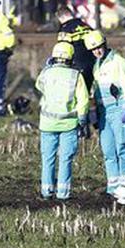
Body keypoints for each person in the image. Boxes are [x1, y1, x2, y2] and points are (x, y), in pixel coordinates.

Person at [36, 41, 89, 201]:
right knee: (66, 159)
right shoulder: (76, 76)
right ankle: (63, 194)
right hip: (69, 124)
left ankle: (46, 192)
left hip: (47, 124)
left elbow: (39, 86)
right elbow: (83, 100)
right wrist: (82, 120)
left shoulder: (46, 73)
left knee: (47, 158)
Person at [86, 30, 125, 193]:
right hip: (103, 113)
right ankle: (113, 185)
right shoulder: (96, 66)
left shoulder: (118, 61)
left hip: (118, 109)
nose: (97, 51)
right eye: (93, 50)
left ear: (104, 44)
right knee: (108, 149)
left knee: (122, 146)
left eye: (99, 47)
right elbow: (95, 90)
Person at [55, 6, 95, 88]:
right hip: (92, 62)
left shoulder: (65, 29)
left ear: (61, 17)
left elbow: (63, 50)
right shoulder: (86, 26)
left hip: (76, 65)